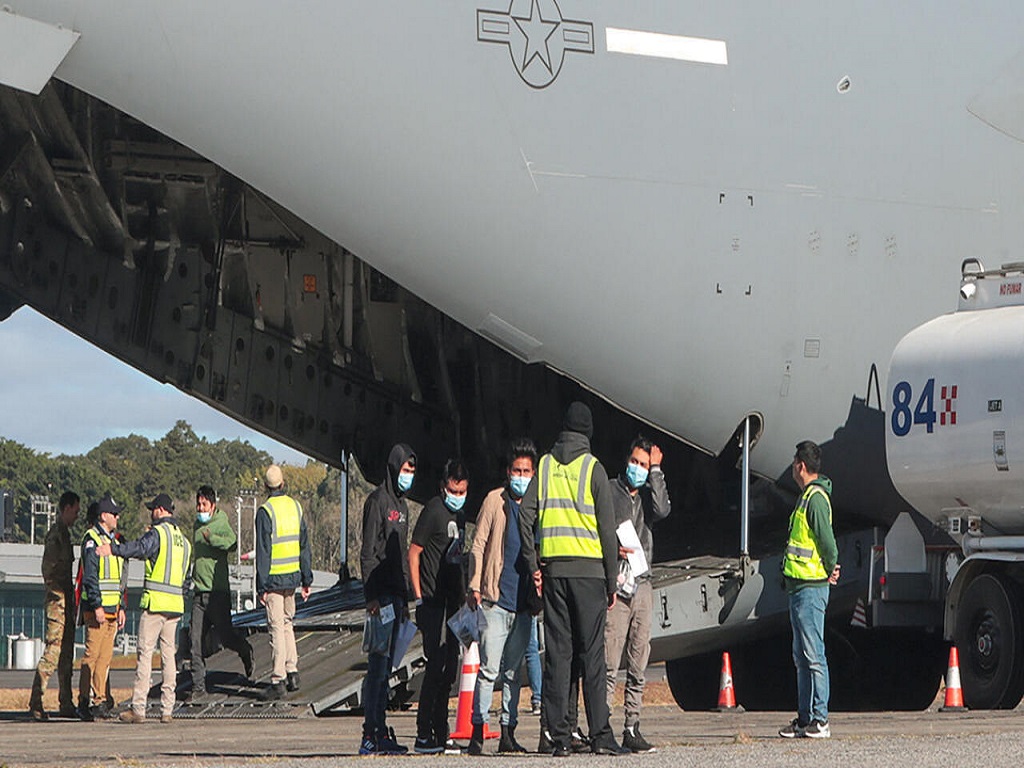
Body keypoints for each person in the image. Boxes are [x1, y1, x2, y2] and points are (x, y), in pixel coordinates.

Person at [519, 401, 626, 756]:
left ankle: (558, 737)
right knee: (592, 654)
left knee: (558, 655)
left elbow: (524, 514)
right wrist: (612, 582)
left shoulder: (545, 466)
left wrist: (533, 561)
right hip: (590, 575)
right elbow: (607, 532)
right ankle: (600, 735)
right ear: (589, 433)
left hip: (554, 573)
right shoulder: (593, 469)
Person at [467, 439, 538, 755]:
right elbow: (478, 544)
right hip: (496, 601)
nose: (520, 475)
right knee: (489, 671)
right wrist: (475, 585)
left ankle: (508, 732)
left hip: (524, 605)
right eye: (516, 470)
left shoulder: (537, 507)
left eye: (526, 471)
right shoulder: (495, 501)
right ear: (508, 471)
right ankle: (478, 730)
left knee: (513, 673)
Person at [604, 436, 671, 752]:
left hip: (642, 582)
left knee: (638, 659)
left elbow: (663, 510)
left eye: (644, 465)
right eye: (636, 462)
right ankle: (601, 726)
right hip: (617, 583)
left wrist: (656, 472)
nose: (638, 469)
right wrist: (610, 552)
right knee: (609, 658)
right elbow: (596, 527)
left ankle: (632, 726)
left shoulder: (646, 496)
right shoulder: (609, 491)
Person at [100, 493, 192, 724]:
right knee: (169, 657)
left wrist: (114, 549)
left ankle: (139, 707)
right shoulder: (184, 541)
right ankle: (167, 709)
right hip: (176, 605)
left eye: (153, 509)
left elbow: (140, 548)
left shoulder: (158, 534)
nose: (151, 512)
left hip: (155, 605)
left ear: (160, 510)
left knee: (145, 654)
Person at [778, 440, 840, 740]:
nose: (792, 468)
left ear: (801, 465)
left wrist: (830, 568)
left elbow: (828, 543)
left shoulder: (814, 499)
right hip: (800, 587)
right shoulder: (807, 497)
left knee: (813, 655)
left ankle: (819, 718)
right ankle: (805, 719)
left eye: (793, 463)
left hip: (811, 588)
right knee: (802, 656)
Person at [359, 443, 416, 756]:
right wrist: (371, 598)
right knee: (377, 669)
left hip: (397, 597)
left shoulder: (404, 507)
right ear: (394, 468)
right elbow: (367, 553)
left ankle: (381, 731)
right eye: (405, 469)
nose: (408, 476)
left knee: (387, 672)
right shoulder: (377, 501)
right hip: (380, 598)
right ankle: (370, 734)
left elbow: (403, 556)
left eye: (412, 471)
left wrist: (406, 599)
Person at [409, 459, 469, 755]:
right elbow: (414, 552)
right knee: (434, 667)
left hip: (453, 603)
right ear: (443, 487)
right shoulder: (433, 510)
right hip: (432, 601)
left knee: (449, 671)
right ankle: (423, 733)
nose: (457, 495)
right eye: (452, 489)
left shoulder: (460, 516)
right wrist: (419, 595)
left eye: (462, 490)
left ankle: (440, 730)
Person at [189, 485, 254, 700]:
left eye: (204, 505)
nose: (200, 508)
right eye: (198, 504)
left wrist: (213, 540)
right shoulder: (196, 524)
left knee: (226, 637)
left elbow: (232, 544)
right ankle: (199, 688)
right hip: (199, 592)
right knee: (195, 641)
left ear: (213, 505)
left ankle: (244, 650)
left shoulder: (221, 522)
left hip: (218, 593)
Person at [256, 465, 313, 701]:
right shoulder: (295, 507)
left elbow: (263, 551)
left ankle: (277, 679)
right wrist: (306, 578)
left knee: (276, 627)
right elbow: (304, 545)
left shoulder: (265, 511)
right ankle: (293, 671)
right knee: (288, 623)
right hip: (292, 576)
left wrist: (262, 586)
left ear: (266, 487)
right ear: (283, 483)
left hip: (274, 580)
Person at [28, 491, 80, 721]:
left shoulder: (65, 535)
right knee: (53, 651)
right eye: (75, 511)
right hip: (57, 604)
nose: (76, 516)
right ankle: (36, 700)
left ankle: (66, 702)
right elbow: (48, 571)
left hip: (66, 603)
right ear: (66, 508)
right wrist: (58, 596)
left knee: (67, 654)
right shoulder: (56, 535)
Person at [76, 494, 126, 721]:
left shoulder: (114, 542)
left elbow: (119, 579)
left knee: (105, 659)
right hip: (98, 610)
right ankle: (84, 701)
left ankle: (100, 700)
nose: (117, 518)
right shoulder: (92, 540)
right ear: (104, 516)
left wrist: (121, 606)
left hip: (112, 610)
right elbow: (90, 576)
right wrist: (96, 605)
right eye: (114, 514)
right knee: (91, 656)